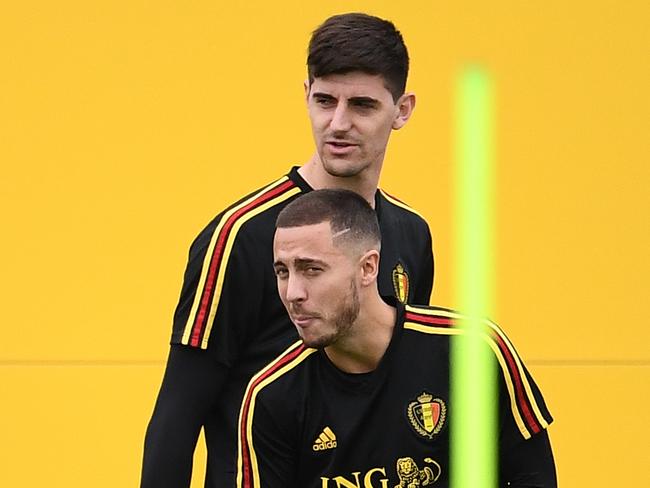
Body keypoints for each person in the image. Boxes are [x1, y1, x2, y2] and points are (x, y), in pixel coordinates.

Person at [141, 13, 435, 488]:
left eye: (362, 104)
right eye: (324, 101)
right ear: (306, 96)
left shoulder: (412, 234)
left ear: (402, 110)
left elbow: (395, 389)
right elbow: (177, 414)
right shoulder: (240, 234)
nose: (339, 123)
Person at [237, 189, 556, 488]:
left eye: (312, 270)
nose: (293, 293)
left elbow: (533, 477)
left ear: (368, 268)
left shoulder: (471, 350)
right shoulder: (271, 394)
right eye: (282, 272)